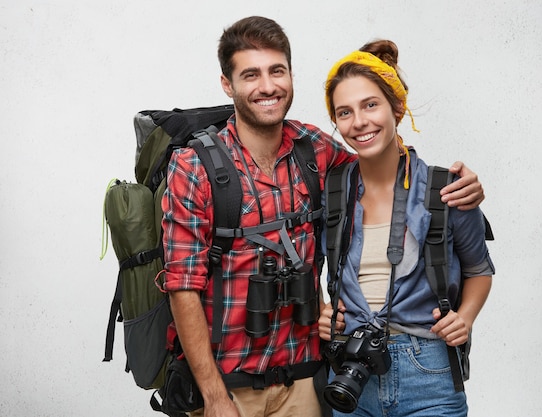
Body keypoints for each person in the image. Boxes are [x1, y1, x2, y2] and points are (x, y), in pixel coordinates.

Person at [161, 16, 485, 417]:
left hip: (307, 383)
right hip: (226, 386)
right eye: (250, 74)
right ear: (227, 84)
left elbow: (380, 156)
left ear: (291, 75)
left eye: (276, 71)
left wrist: (459, 185)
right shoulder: (195, 166)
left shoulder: (313, 150)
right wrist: (212, 397)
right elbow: (181, 285)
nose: (267, 86)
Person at [317, 40, 495, 417]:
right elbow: (297, 256)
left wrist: (464, 318)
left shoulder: (447, 189)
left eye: (370, 104)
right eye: (344, 112)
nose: (359, 122)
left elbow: (479, 268)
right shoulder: (331, 190)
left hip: (429, 371)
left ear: (397, 108)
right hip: (351, 372)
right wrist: (324, 309)